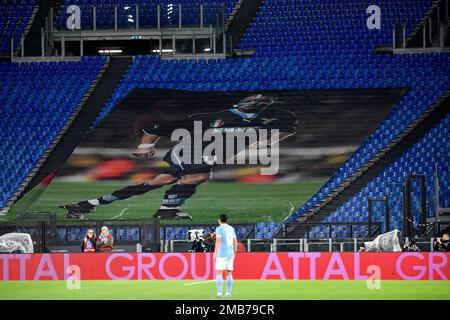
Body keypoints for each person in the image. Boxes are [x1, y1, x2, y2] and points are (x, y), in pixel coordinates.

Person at [59, 95, 298, 219]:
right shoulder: (213, 117)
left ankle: (88, 204)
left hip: (204, 157)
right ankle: (167, 210)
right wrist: (146, 146)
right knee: (198, 175)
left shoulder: (262, 123)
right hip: (187, 153)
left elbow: (287, 128)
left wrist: (269, 141)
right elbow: (156, 128)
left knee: (155, 183)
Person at [214, 214, 237, 298]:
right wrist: (234, 251)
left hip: (222, 254)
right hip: (230, 254)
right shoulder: (231, 228)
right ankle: (228, 293)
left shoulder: (219, 229)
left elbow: (218, 240)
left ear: (219, 220)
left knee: (219, 273)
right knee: (229, 273)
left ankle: (219, 293)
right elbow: (235, 241)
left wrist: (215, 252)